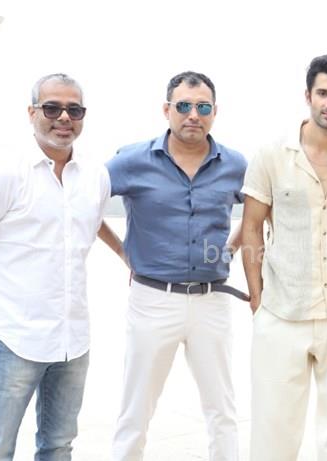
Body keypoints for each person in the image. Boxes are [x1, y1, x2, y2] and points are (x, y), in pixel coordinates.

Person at [0, 73, 109, 460]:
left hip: (72, 342)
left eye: (74, 110)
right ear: (32, 112)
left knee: (58, 446)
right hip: (13, 339)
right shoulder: (5, 172)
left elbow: (91, 226)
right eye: (52, 108)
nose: (64, 117)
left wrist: (125, 254)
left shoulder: (95, 176)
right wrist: (5, 296)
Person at [101, 71, 248, 461]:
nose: (193, 115)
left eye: (203, 107)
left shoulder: (235, 164)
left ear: (215, 112)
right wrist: (123, 252)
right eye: (183, 106)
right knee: (136, 410)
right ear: (166, 110)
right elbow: (85, 202)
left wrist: (230, 250)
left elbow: (259, 210)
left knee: (222, 409)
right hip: (152, 300)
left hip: (212, 302)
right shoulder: (131, 160)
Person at [240, 53, 327, 461]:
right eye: (323, 93)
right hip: (282, 308)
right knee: (274, 425)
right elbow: (252, 226)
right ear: (308, 96)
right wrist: (256, 296)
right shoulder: (272, 155)